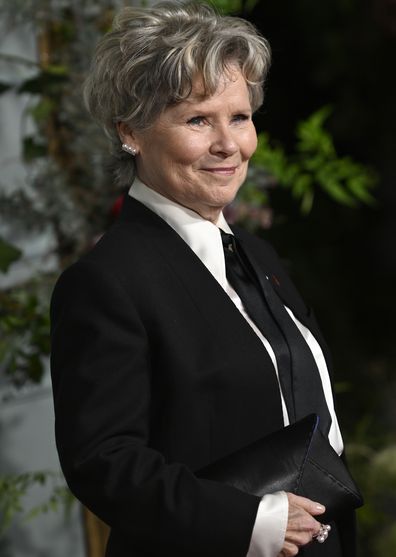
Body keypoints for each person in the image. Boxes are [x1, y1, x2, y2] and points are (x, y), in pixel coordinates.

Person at [50, 2, 357, 556]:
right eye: (198, 120)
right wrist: (252, 522)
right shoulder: (105, 282)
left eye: (239, 117)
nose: (228, 145)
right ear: (130, 133)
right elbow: (103, 462)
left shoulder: (258, 255)